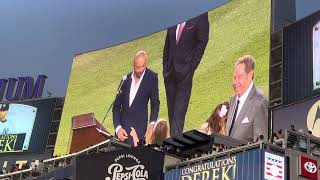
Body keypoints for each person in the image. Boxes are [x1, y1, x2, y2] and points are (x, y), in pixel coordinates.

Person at [163, 13, 209, 137]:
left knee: (178, 116)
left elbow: (203, 41)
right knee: (172, 115)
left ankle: (173, 150)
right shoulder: (175, 11)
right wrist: (165, 67)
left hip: (185, 74)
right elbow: (168, 42)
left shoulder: (200, 14)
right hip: (170, 73)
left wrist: (191, 67)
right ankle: (173, 144)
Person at [112, 51, 160, 146]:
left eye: (143, 66)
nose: (141, 70)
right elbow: (116, 107)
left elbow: (155, 103)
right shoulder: (125, 80)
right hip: (122, 135)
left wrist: (151, 124)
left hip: (139, 133)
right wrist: (118, 128)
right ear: (133, 65)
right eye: (138, 67)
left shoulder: (152, 77)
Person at [226, 55, 268, 142]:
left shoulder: (259, 101)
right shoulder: (233, 99)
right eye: (234, 77)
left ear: (250, 75)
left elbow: (261, 142)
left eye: (240, 77)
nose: (235, 82)